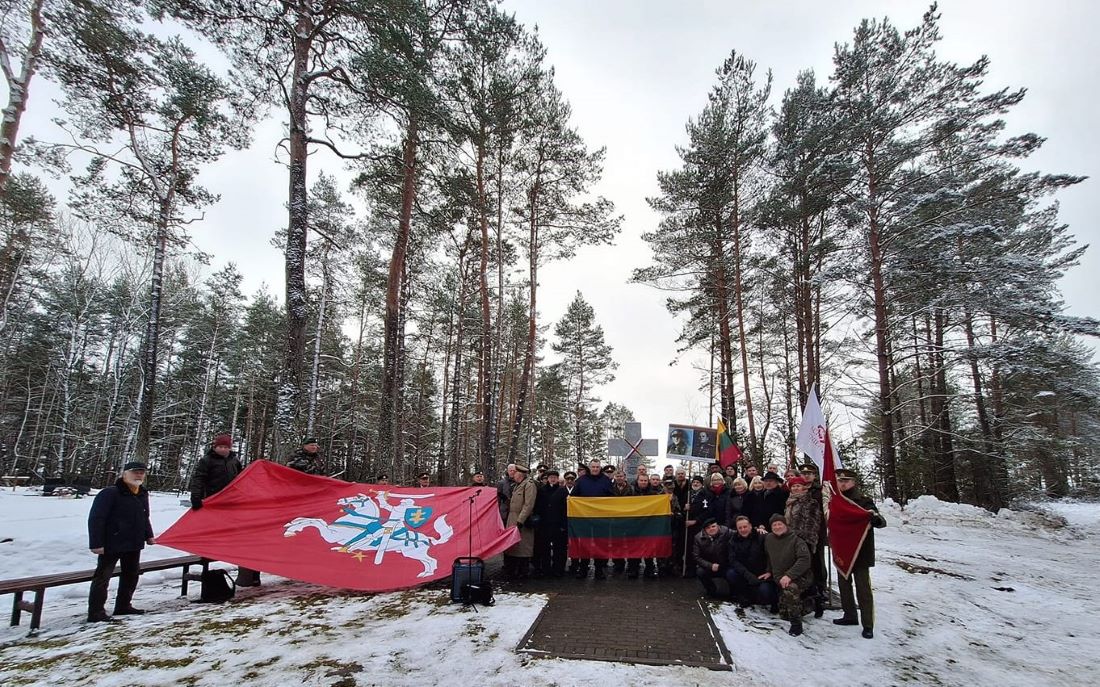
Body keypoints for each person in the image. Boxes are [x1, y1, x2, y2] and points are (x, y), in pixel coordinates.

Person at [87, 461, 156, 622]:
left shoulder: (142, 493)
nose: (138, 475)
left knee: (131, 575)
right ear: (125, 474)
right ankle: (96, 612)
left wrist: (149, 535)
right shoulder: (110, 493)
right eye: (135, 472)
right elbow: (96, 519)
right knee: (103, 577)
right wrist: (96, 543)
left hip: (134, 542)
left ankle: (123, 605)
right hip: (112, 542)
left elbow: (144, 516)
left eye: (141, 472)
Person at [832, 469, 887, 639]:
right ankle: (849, 615)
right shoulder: (835, 501)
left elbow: (880, 521)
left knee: (863, 589)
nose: (842, 484)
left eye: (846, 481)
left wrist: (875, 519)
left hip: (860, 552)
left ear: (853, 483)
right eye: (840, 481)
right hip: (841, 551)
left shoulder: (864, 501)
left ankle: (868, 624)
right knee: (844, 586)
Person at [764, 514, 813, 636]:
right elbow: (769, 557)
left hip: (799, 576)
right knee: (784, 615)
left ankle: (796, 625)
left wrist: (789, 575)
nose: (777, 527)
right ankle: (811, 603)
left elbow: (805, 560)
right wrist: (769, 571)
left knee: (790, 590)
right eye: (774, 525)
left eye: (780, 524)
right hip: (780, 577)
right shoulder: (769, 539)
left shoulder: (796, 540)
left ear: (785, 525)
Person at [784, 476, 824, 617]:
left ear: (804, 488)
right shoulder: (789, 502)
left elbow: (812, 524)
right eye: (793, 486)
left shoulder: (810, 502)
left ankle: (817, 602)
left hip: (804, 541)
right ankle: (801, 602)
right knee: (797, 573)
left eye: (798, 486)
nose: (795, 488)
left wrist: (800, 538)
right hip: (791, 541)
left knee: (808, 572)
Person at [570, 458, 613, 579]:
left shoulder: (606, 480)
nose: (595, 469)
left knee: (601, 544)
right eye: (593, 467)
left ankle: (599, 570)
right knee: (585, 544)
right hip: (585, 518)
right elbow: (573, 497)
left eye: (597, 467)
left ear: (600, 468)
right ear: (589, 468)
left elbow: (612, 497)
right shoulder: (581, 480)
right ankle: (583, 569)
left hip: (601, 519)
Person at [726, 515, 777, 609]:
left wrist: (769, 571)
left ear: (750, 526)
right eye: (740, 528)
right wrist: (747, 575)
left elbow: (772, 555)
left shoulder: (762, 537)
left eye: (745, 527)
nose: (743, 530)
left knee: (765, 593)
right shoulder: (733, 540)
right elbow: (733, 561)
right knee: (731, 573)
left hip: (762, 574)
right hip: (745, 573)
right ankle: (744, 595)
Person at [189, 434, 242, 511]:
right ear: (215, 447)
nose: (223, 449)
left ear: (229, 448)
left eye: (225, 447)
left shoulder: (235, 461)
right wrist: (196, 497)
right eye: (220, 447)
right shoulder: (207, 460)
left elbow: (241, 478)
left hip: (231, 499)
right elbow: (199, 479)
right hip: (211, 498)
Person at [503, 465, 537, 579]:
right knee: (514, 547)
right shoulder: (517, 485)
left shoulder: (529, 485)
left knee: (523, 548)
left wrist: (520, 520)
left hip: (522, 520)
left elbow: (528, 505)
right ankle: (513, 571)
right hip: (512, 518)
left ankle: (523, 572)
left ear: (520, 474)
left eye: (515, 473)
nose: (513, 475)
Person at [533, 470, 568, 578]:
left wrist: (564, 524)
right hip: (545, 524)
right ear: (547, 479)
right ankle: (546, 569)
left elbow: (566, 509)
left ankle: (558, 569)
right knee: (544, 548)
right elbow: (537, 507)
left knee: (559, 548)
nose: (552, 479)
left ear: (558, 479)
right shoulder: (541, 490)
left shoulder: (562, 491)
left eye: (555, 477)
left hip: (558, 524)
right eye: (550, 477)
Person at [627, 473, 659, 578]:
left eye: (645, 480)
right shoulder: (630, 492)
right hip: (634, 524)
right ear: (637, 481)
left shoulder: (654, 494)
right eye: (641, 480)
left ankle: (649, 569)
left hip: (648, 524)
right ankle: (633, 569)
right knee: (633, 547)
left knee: (648, 548)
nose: (643, 482)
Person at [692, 518, 732, 598]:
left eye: (713, 526)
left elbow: (740, 533)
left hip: (726, 565)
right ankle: (711, 591)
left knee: (733, 574)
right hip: (710, 566)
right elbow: (696, 557)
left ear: (718, 526)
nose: (711, 529)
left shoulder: (727, 532)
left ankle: (734, 593)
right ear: (704, 530)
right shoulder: (698, 538)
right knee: (700, 572)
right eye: (708, 528)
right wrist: (710, 565)